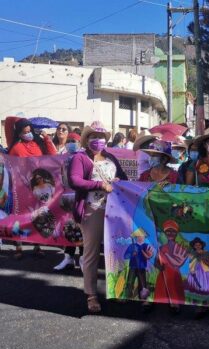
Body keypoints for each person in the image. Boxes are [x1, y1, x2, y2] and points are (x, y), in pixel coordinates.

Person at [68, 121, 128, 313]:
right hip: (92, 209)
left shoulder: (110, 157)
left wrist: (118, 181)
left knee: (116, 251)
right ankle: (91, 295)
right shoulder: (80, 157)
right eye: (93, 136)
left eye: (101, 137)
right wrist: (99, 185)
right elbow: (75, 180)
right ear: (86, 139)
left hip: (114, 210)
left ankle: (116, 290)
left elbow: (123, 177)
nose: (98, 140)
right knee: (91, 253)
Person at [8, 118, 57, 259]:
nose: (28, 134)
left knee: (38, 215)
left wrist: (46, 138)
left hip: (38, 186)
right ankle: (18, 247)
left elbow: (53, 155)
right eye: (25, 132)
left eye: (29, 131)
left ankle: (37, 245)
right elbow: (10, 166)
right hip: (21, 187)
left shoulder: (38, 144)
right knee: (20, 216)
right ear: (19, 133)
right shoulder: (16, 148)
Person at [54, 132, 84, 272]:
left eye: (75, 140)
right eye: (70, 140)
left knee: (82, 228)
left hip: (81, 197)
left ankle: (83, 259)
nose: (72, 143)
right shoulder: (63, 157)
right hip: (66, 197)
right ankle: (68, 257)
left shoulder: (84, 157)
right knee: (69, 228)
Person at [153, 220, 188, 313]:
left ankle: (175, 304)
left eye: (173, 231)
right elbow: (156, 261)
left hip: (174, 274)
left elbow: (181, 261)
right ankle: (161, 303)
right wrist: (159, 266)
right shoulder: (161, 247)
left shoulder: (180, 248)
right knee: (162, 290)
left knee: (174, 289)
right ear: (165, 232)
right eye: (168, 231)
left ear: (176, 233)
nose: (170, 233)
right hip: (163, 273)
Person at [185, 238, 209, 309]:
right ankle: (194, 302)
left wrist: (203, 255)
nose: (197, 246)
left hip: (203, 272)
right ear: (194, 246)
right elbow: (189, 256)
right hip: (194, 271)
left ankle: (205, 303)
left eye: (199, 245)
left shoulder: (206, 252)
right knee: (194, 286)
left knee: (204, 286)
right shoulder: (191, 253)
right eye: (196, 245)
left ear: (201, 245)